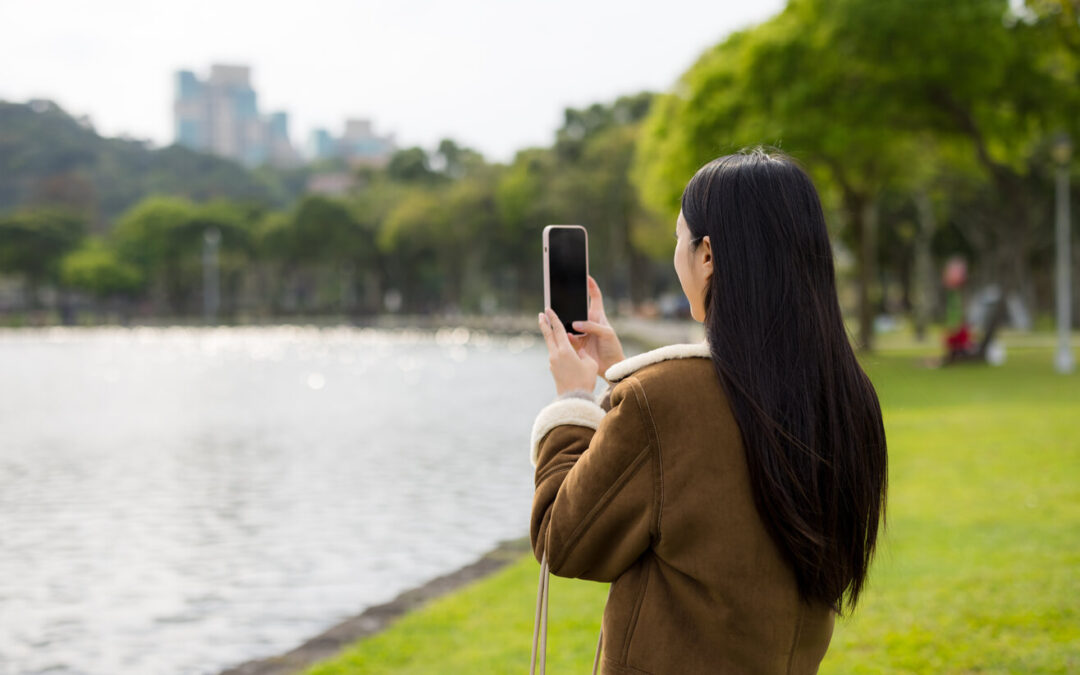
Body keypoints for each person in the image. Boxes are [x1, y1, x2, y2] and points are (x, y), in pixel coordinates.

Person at [532, 148, 888, 674]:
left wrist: (572, 403)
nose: (677, 256)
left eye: (679, 239)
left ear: (707, 256)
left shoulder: (667, 399)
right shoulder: (847, 398)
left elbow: (564, 540)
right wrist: (622, 378)